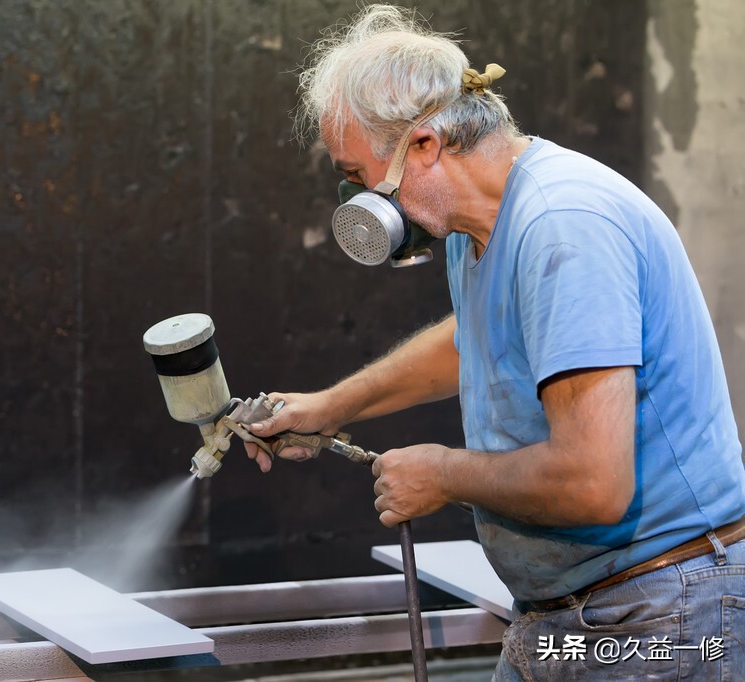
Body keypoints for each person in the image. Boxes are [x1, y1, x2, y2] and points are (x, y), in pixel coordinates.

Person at [243, 5, 745, 680]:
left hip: (659, 609)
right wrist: (334, 406)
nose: (357, 195)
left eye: (358, 175)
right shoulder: (476, 225)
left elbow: (594, 485)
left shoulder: (563, 224)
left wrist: (443, 475)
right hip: (574, 606)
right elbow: (481, 338)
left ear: (422, 145)